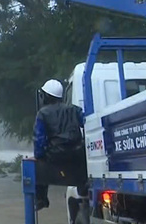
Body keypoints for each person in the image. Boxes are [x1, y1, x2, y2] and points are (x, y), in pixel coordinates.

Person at [33, 79, 87, 211]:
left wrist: (39, 156)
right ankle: (83, 188)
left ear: (46, 96)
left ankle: (41, 199)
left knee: (37, 167)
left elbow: (39, 140)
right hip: (77, 154)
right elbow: (88, 122)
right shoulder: (74, 110)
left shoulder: (42, 113)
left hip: (55, 156)